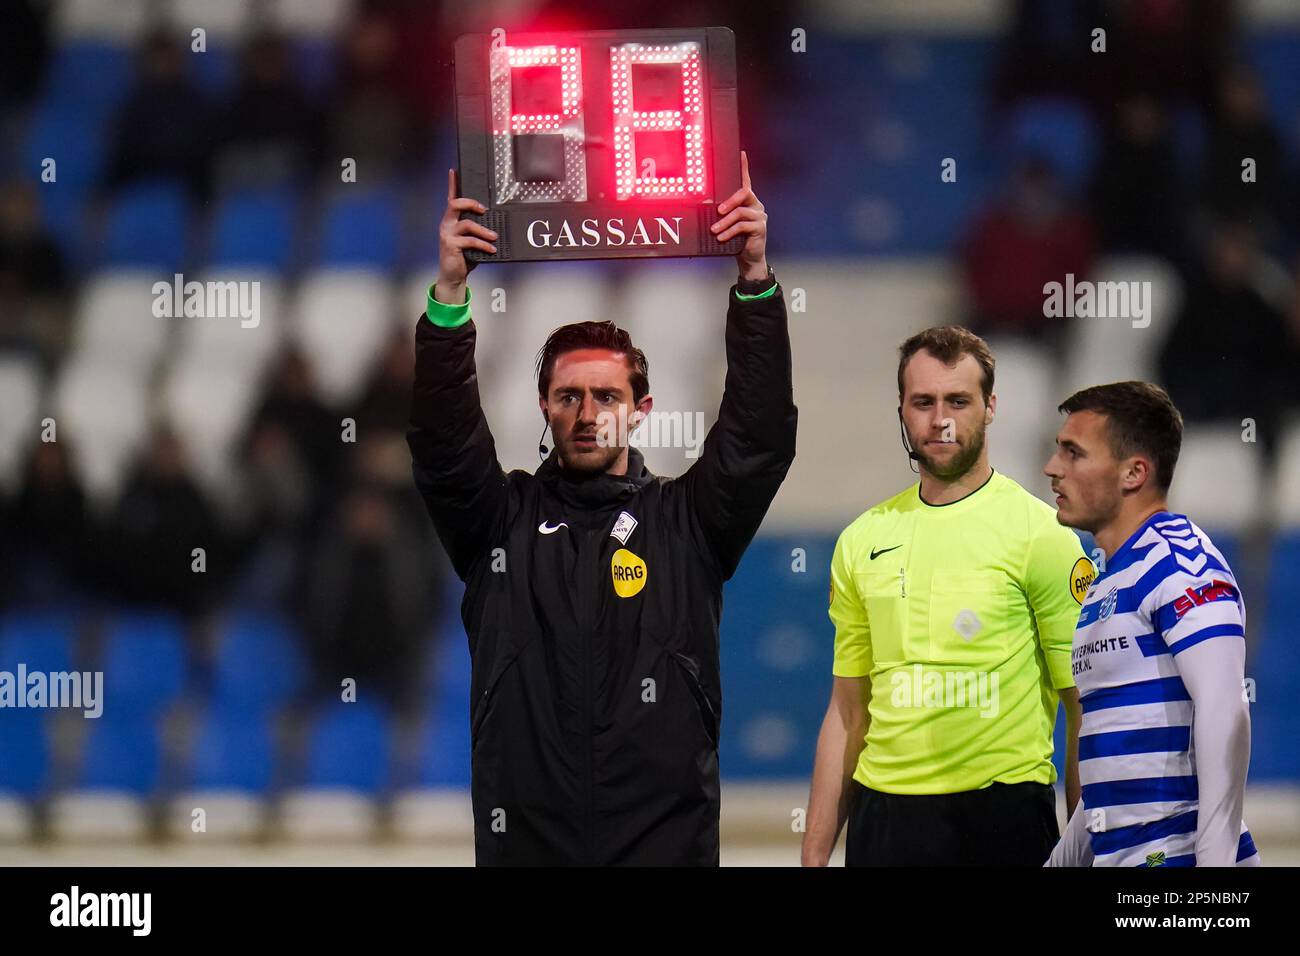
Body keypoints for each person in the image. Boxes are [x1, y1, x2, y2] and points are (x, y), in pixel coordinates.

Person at [407, 154, 796, 865]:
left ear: (641, 410)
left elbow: (759, 440)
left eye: (608, 397)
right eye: (568, 396)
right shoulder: (499, 524)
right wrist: (451, 295)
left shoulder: (688, 526)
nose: (588, 415)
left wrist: (754, 284)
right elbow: (442, 448)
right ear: (544, 406)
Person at [803, 327, 1086, 867]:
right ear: (902, 410)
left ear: (991, 406)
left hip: (1004, 818)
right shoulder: (862, 538)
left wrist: (1083, 852)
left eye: (959, 400)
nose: (941, 420)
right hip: (884, 820)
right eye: (923, 402)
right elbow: (846, 712)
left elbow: (1082, 711)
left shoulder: (1043, 535)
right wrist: (814, 857)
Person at [1043, 382, 1259, 867]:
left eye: (1073, 453)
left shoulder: (1183, 564)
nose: (1052, 468)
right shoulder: (1106, 580)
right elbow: (1112, 769)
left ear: (1134, 472)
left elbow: (1227, 709)